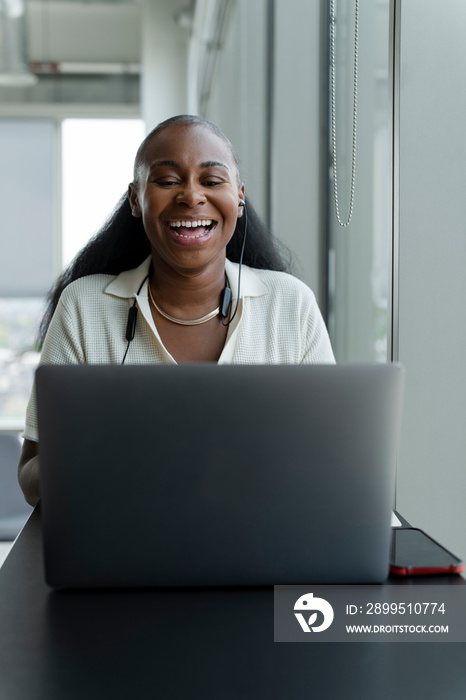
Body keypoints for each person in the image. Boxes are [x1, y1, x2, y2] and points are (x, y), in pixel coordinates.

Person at [18, 114, 335, 506]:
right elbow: (32, 476)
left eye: (212, 181)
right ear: (136, 199)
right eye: (167, 181)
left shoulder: (290, 304)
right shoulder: (85, 307)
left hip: (258, 543)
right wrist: (112, 452)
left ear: (238, 196)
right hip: (126, 543)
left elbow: (331, 461)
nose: (191, 196)